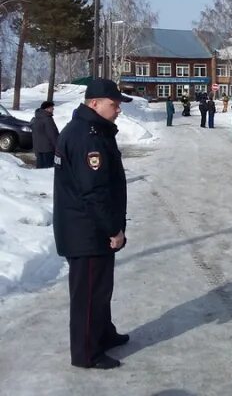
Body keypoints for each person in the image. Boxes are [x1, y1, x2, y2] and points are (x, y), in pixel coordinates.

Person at [52, 78, 132, 370]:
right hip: (87, 231)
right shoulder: (88, 137)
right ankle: (86, 352)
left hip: (89, 228)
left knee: (100, 290)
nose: (119, 109)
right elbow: (94, 191)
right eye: (115, 104)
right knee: (88, 295)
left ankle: (103, 333)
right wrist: (113, 229)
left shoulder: (93, 130)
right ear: (94, 103)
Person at [31, 100, 59, 168]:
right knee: (47, 171)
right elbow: (52, 135)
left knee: (40, 170)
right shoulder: (47, 119)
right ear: (47, 109)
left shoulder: (36, 118)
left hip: (38, 148)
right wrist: (58, 147)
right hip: (48, 150)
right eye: (52, 107)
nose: (53, 109)